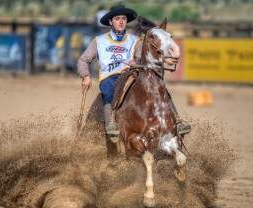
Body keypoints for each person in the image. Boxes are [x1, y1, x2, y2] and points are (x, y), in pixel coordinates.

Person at [77, 5, 190, 143]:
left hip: (132, 74)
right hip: (109, 76)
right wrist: (86, 76)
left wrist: (136, 62)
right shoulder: (99, 41)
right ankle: (110, 124)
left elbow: (140, 58)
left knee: (158, 87)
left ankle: (177, 121)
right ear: (110, 22)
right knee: (107, 90)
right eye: (117, 19)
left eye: (123, 19)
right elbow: (83, 60)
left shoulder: (135, 40)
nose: (121, 21)